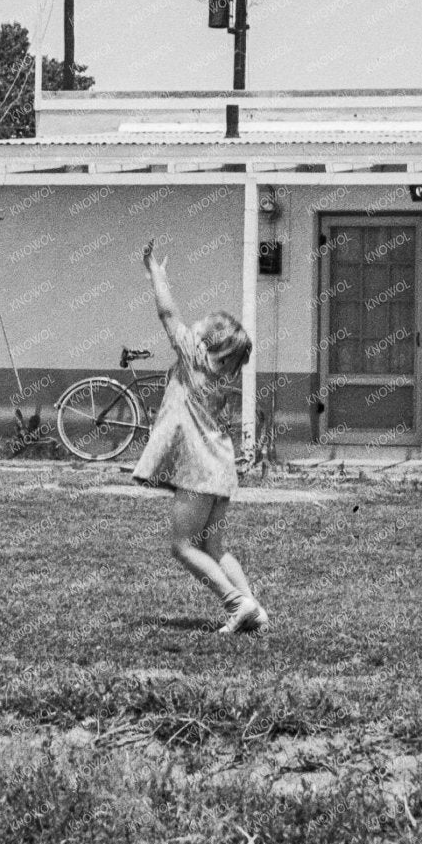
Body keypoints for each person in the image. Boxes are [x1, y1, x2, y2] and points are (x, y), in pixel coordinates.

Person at [129, 241, 268, 635]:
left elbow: (168, 312)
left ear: (210, 343)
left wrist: (156, 272)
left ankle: (236, 603)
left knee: (182, 546)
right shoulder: (222, 379)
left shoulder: (193, 360)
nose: (194, 327)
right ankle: (256, 610)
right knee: (214, 547)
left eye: (202, 327)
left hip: (198, 469)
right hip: (221, 469)